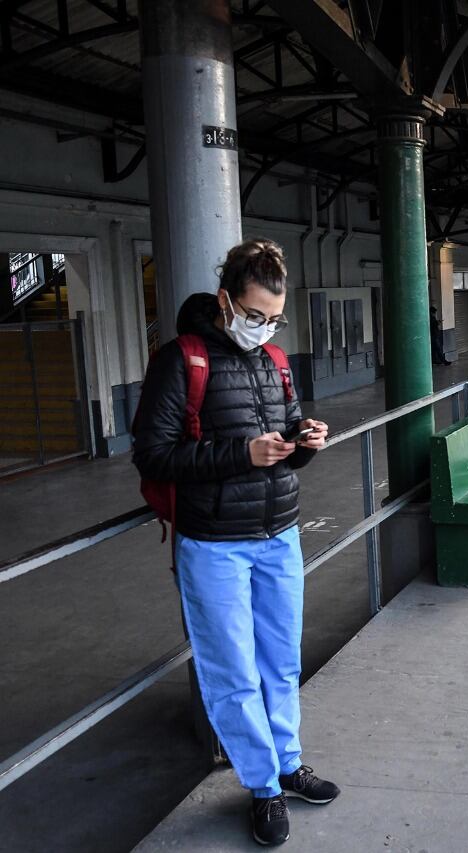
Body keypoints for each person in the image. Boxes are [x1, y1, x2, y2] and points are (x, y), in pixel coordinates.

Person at [132, 239, 339, 848]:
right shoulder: (181, 360)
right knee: (232, 671)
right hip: (215, 545)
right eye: (254, 315)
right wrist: (240, 454)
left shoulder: (274, 359)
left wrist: (305, 440)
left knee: (282, 661)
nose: (264, 327)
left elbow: (286, 450)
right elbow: (153, 454)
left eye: (274, 318)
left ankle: (288, 763)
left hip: (280, 534)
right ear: (226, 302)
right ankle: (263, 786)